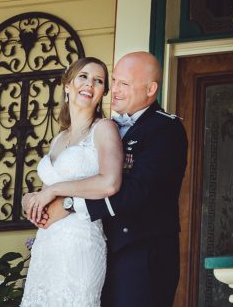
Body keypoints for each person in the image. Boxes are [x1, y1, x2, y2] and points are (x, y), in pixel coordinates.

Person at [35, 51, 188, 307]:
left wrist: (69, 204)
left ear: (151, 89)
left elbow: (139, 190)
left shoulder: (165, 129)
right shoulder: (103, 128)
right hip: (98, 252)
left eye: (124, 84)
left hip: (141, 254)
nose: (114, 90)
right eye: (114, 80)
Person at [20, 56, 122, 307]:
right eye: (83, 77)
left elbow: (109, 183)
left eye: (98, 80)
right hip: (47, 244)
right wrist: (30, 200)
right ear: (67, 85)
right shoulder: (59, 139)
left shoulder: (104, 128)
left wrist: (54, 190)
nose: (90, 84)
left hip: (80, 242)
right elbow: (47, 195)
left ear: (102, 93)